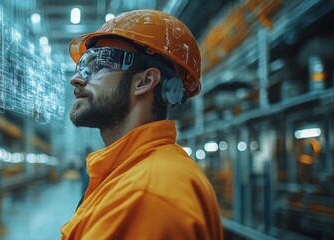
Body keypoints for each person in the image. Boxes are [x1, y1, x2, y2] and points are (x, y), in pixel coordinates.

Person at [61, 10, 223, 240]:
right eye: (83, 67)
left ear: (145, 82)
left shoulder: (145, 192)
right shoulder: (128, 174)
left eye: (100, 65)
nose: (76, 79)